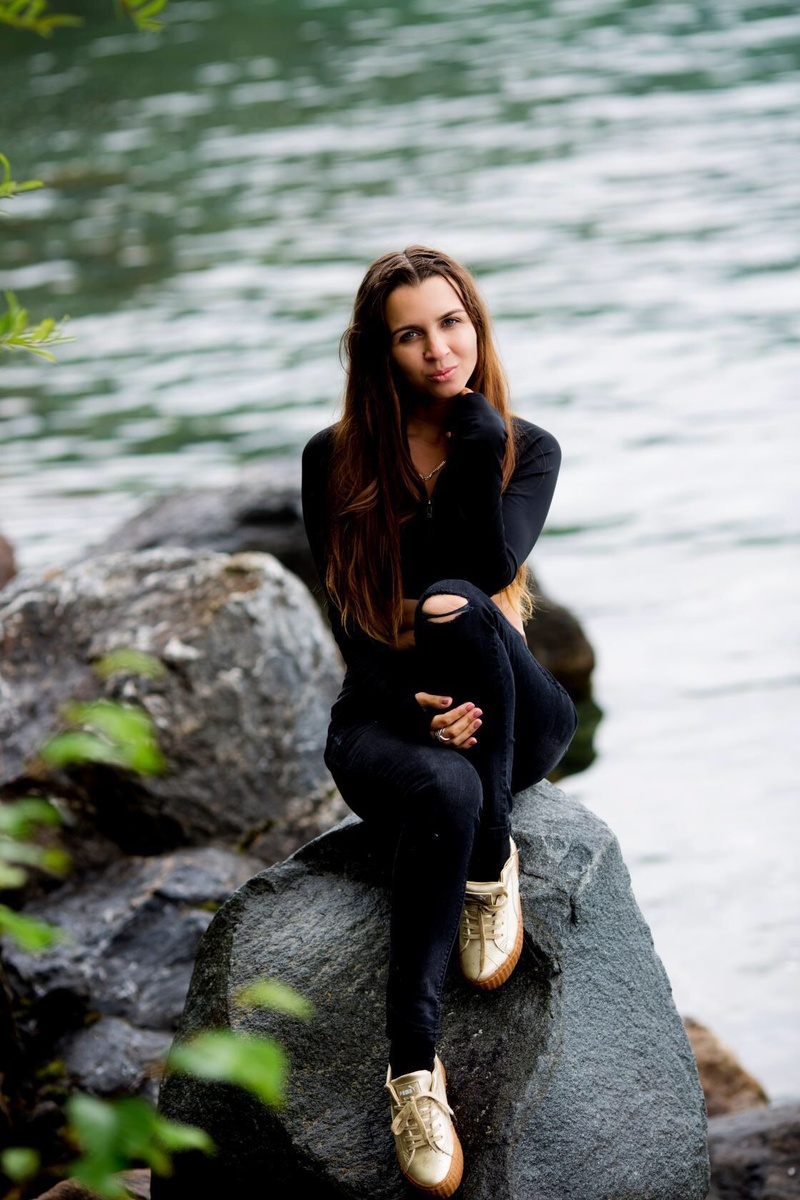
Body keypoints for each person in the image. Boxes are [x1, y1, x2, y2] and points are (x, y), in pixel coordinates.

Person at [301, 245, 577, 1196]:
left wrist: (477, 439)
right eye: (410, 335)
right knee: (446, 783)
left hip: (517, 709)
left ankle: (490, 861)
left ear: (476, 325)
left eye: (451, 323)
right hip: (387, 713)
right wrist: (422, 711)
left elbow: (486, 565)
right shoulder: (334, 460)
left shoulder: (525, 447)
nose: (438, 350)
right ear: (377, 353)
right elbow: (354, 628)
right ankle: (415, 1075)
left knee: (458, 601)